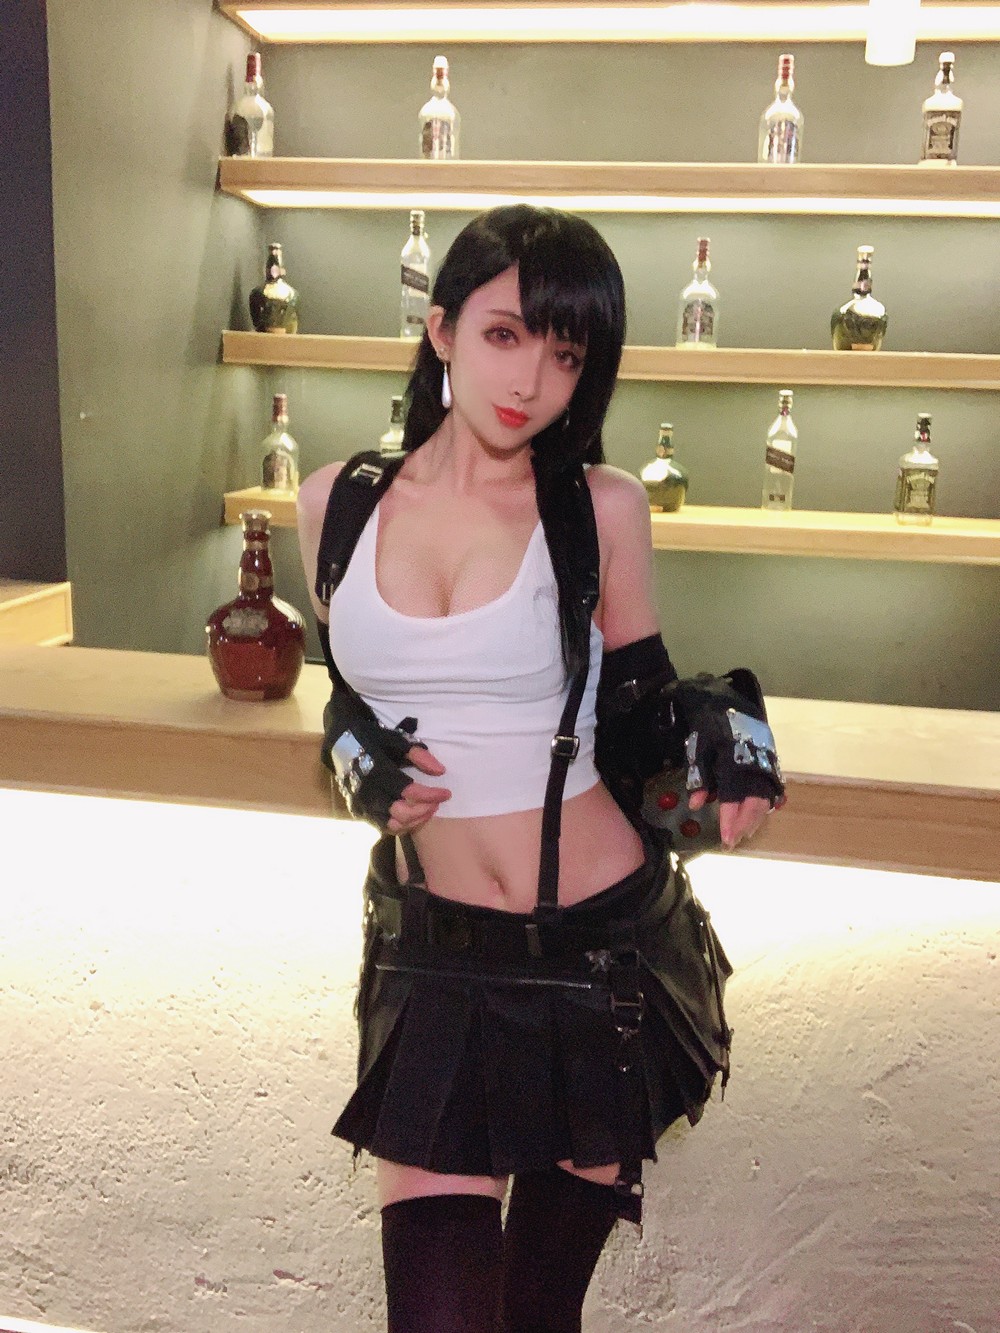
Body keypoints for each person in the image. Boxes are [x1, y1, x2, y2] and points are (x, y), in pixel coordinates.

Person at [297, 204, 781, 1333]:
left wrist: (727, 738)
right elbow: (351, 695)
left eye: (566, 354)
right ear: (441, 330)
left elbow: (642, 710)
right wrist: (352, 757)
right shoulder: (334, 502)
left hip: (596, 960)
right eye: (506, 335)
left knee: (533, 1318)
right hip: (429, 956)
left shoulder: (598, 509)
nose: (530, 381)